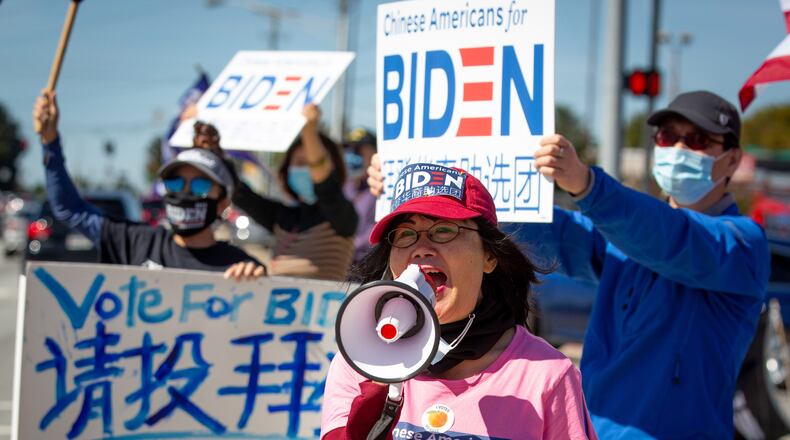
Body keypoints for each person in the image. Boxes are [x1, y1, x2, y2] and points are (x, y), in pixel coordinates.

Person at [366, 91, 771, 439]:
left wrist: (587, 185)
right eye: (668, 137)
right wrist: (418, 192)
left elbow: (671, 237)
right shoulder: (625, 236)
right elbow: (542, 230)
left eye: (698, 140)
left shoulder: (742, 244)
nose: (679, 150)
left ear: (732, 160)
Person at [321, 164, 597, 439]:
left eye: (444, 231)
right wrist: (379, 386)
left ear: (489, 257)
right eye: (405, 234)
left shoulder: (547, 374)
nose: (421, 249)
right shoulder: (359, 362)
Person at [32, 90, 265, 281]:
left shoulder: (241, 269)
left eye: (199, 186)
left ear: (223, 202)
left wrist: (258, 285)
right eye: (175, 183)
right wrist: (50, 141)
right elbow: (69, 208)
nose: (184, 193)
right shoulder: (136, 242)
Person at [197, 104, 359, 281]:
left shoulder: (342, 217)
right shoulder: (282, 217)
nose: (307, 169)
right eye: (298, 162)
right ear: (286, 170)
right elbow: (238, 190)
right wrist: (210, 149)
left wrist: (309, 130)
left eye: (310, 162)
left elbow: (326, 184)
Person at [342, 127, 378, 264]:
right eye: (348, 150)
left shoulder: (381, 188)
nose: (351, 155)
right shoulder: (346, 187)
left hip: (367, 265)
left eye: (358, 150)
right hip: (343, 265)